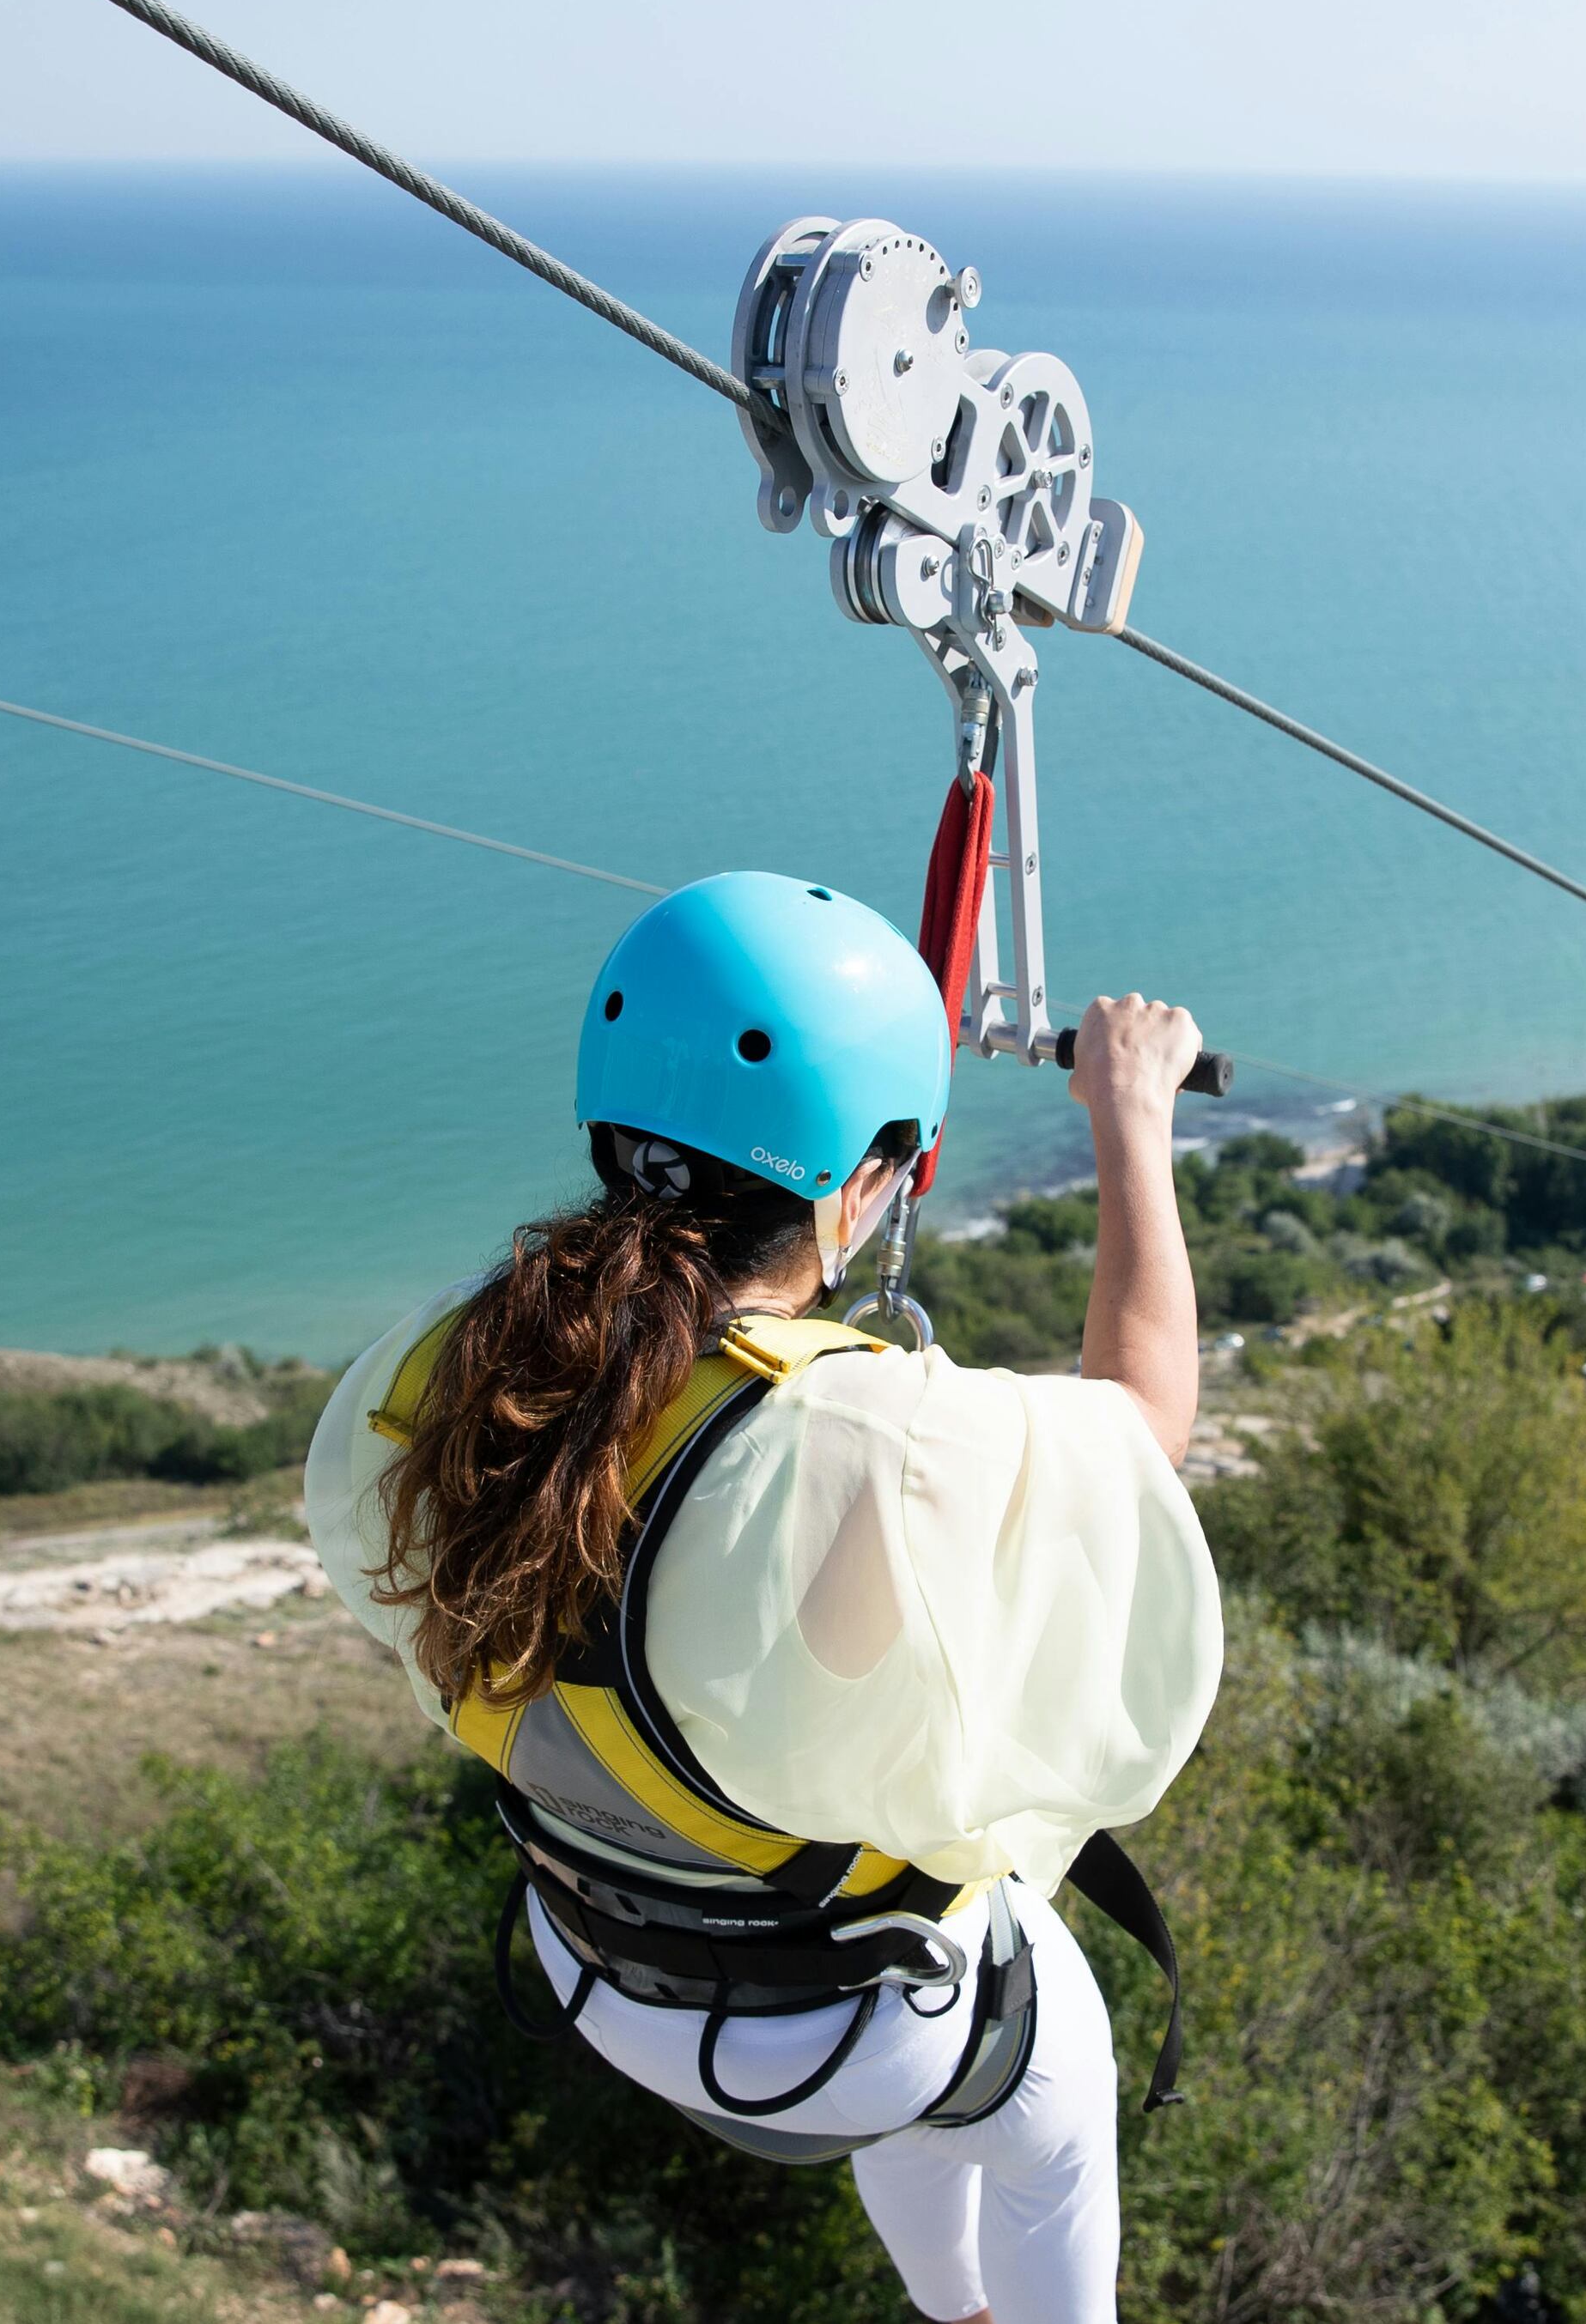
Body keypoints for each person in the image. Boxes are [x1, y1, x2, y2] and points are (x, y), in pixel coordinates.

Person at [306, 869, 1223, 2324]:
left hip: (601, 1959)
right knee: (1040, 2059)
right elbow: (1137, 1435)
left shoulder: (462, 1358)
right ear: (866, 1182)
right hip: (823, 2023)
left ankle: (956, 2308)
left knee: (922, 1970)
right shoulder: (858, 1439)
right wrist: (1134, 1117)